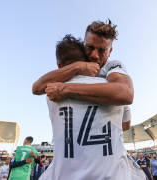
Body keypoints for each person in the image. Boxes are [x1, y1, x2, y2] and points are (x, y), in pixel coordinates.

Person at [37, 33, 145, 179]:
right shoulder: (114, 89)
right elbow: (125, 125)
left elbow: (37, 87)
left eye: (101, 50)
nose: (95, 56)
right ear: (85, 57)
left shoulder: (52, 92)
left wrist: (68, 88)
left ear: (59, 66)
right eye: (91, 49)